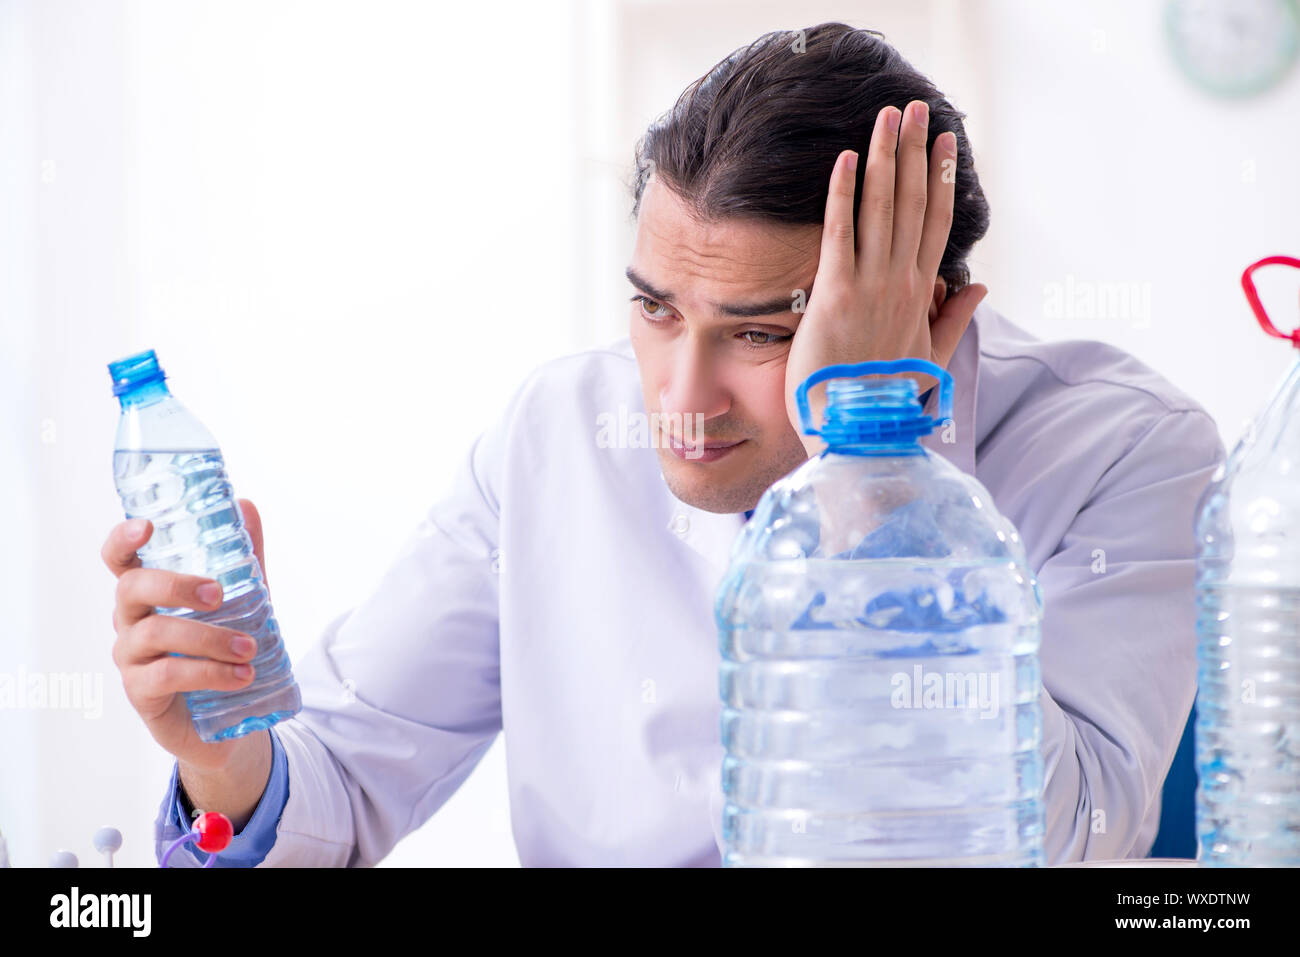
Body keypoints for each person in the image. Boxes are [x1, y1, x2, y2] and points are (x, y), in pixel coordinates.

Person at [102, 22, 1224, 866]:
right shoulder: (554, 441)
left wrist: (869, 454)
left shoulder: (1124, 453)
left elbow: (1073, 839)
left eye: (761, 334)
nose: (681, 399)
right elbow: (340, 779)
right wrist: (217, 749)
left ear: (936, 317)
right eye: (653, 310)